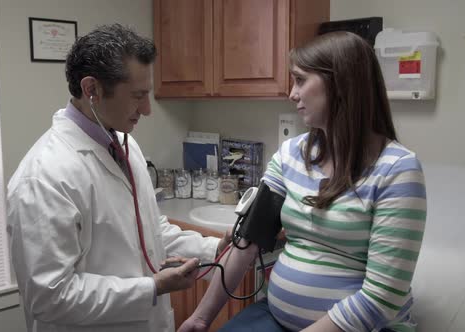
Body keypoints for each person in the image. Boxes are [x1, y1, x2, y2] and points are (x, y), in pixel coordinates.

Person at [178, 31, 427, 332]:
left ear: (340, 84)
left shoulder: (397, 170)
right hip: (276, 317)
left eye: (300, 80)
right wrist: (201, 317)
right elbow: (248, 240)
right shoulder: (291, 154)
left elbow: (382, 298)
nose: (292, 94)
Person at [6, 24, 230, 332]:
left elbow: (148, 228)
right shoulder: (44, 177)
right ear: (91, 90)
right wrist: (152, 288)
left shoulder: (124, 144)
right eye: (138, 96)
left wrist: (213, 248)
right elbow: (49, 297)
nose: (148, 109)